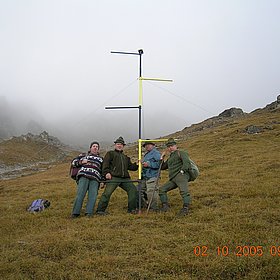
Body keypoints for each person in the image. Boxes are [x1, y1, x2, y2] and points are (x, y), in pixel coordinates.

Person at [96, 136, 138, 215]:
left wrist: (137, 165)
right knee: (107, 193)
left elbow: (131, 167)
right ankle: (100, 210)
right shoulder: (110, 153)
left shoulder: (125, 157)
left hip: (125, 179)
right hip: (114, 177)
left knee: (133, 190)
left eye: (121, 144)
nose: (119, 145)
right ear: (115, 145)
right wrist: (106, 173)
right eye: (118, 144)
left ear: (123, 146)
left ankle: (132, 209)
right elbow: (105, 164)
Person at [159, 138, 192, 216]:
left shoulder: (181, 153)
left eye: (172, 146)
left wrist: (182, 171)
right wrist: (161, 158)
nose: (170, 147)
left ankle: (186, 208)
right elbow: (163, 167)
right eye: (169, 146)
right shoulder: (170, 157)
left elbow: (187, 163)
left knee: (184, 192)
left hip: (181, 176)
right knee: (162, 190)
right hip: (173, 178)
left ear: (176, 146)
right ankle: (165, 206)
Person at [71, 141, 103, 218]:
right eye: (94, 146)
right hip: (84, 176)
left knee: (93, 195)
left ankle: (89, 213)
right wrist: (81, 162)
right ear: (90, 148)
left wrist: (103, 181)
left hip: (95, 178)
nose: (95, 147)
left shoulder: (101, 159)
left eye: (97, 147)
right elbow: (73, 162)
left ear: (98, 149)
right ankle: (75, 213)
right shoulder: (83, 155)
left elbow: (103, 170)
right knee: (80, 194)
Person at [141, 140, 161, 211]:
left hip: (153, 175)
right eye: (146, 145)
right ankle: (145, 205)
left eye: (149, 145)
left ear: (153, 145)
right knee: (138, 190)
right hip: (145, 176)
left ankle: (153, 208)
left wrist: (149, 164)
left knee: (151, 191)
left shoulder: (156, 153)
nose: (147, 146)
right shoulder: (146, 155)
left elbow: (159, 164)